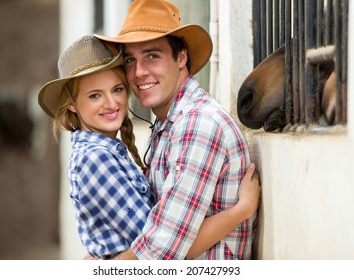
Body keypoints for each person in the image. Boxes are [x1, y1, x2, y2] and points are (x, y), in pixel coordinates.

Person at [37, 35, 260, 260]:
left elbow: (160, 245)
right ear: (72, 106)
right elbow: (159, 247)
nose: (112, 103)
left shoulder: (189, 123)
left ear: (182, 57)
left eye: (117, 90)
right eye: (95, 95)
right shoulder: (97, 159)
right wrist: (241, 210)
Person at [95, 0, 260, 260]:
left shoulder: (197, 125)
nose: (138, 72)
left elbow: (161, 252)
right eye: (130, 60)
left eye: (152, 56)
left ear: (181, 57)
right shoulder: (169, 124)